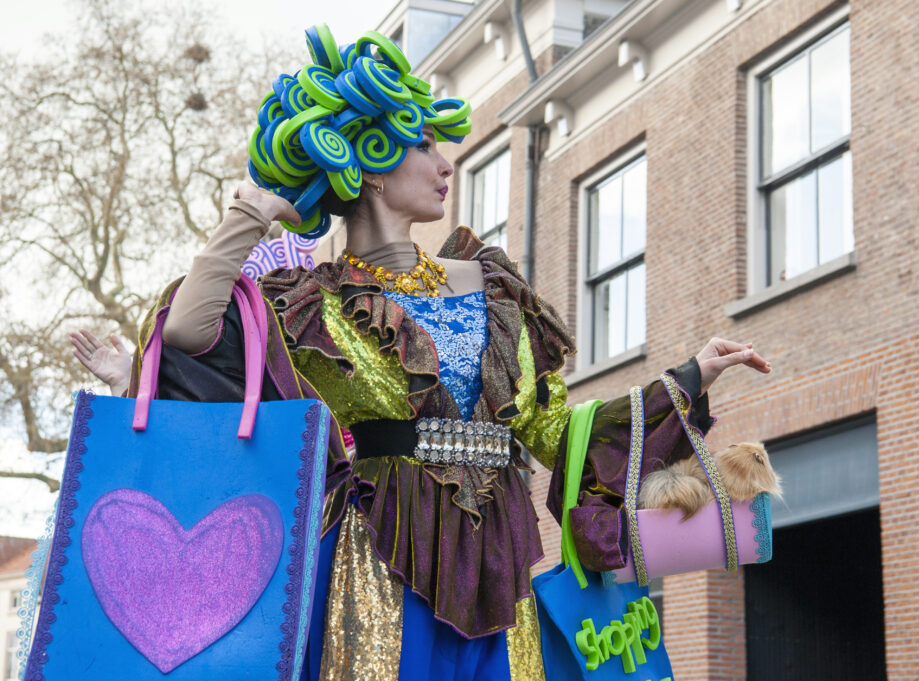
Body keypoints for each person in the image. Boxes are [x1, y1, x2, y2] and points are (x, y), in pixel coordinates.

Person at [126, 27, 771, 681]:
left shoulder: (494, 288)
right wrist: (253, 211)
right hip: (378, 559)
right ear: (370, 162)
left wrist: (687, 378)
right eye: (424, 145)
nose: (446, 166)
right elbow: (189, 332)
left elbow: (553, 433)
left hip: (501, 568)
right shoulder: (312, 305)